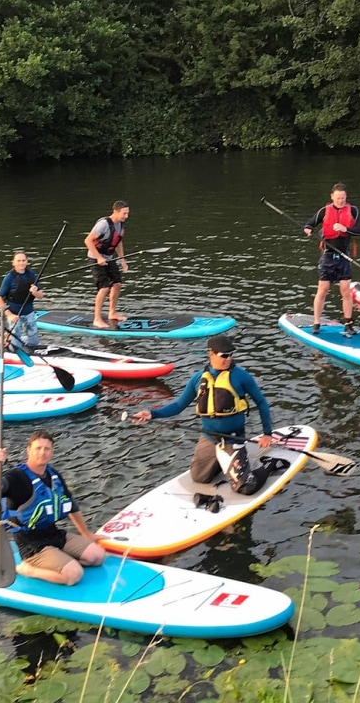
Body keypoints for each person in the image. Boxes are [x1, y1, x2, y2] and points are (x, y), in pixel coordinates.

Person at [132, 335, 279, 498]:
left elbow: (261, 402)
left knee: (245, 487)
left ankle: (268, 465)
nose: (228, 359)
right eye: (224, 355)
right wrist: (152, 414)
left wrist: (267, 433)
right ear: (211, 354)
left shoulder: (241, 376)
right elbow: (178, 406)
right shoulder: (197, 379)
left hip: (232, 438)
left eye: (231, 354)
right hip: (209, 438)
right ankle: (223, 462)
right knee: (199, 478)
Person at [0, 431, 106, 585]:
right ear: (28, 450)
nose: (42, 452)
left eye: (47, 449)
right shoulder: (16, 477)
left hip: (53, 533)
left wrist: (86, 533)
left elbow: (70, 504)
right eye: (38, 448)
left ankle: (59, 558)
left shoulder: (53, 475)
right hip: (31, 544)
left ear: (52, 452)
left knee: (98, 556)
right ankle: (29, 569)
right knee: (74, 575)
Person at [303, 183, 360, 336]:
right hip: (328, 256)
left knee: (345, 291)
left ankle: (348, 324)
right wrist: (308, 229)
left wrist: (346, 229)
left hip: (344, 256)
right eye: (338, 198)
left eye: (343, 198)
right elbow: (309, 224)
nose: (341, 201)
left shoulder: (354, 211)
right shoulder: (324, 211)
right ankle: (316, 322)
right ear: (332, 197)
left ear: (346, 197)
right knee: (323, 290)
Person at [83, 200, 130, 328]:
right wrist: (98, 258)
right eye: (124, 214)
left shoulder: (120, 225)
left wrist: (122, 260)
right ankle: (97, 319)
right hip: (95, 258)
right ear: (115, 211)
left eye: (127, 213)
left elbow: (118, 242)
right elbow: (87, 241)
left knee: (117, 284)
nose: (126, 216)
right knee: (104, 288)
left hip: (108, 258)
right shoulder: (103, 224)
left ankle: (112, 313)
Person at [0, 250, 44, 349]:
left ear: (27, 261)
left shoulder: (32, 275)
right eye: (19, 261)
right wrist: (10, 315)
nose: (21, 263)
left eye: (23, 260)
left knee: (34, 343)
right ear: (13, 263)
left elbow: (41, 295)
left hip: (29, 313)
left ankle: (9, 337)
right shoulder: (9, 278)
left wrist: (35, 292)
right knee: (15, 347)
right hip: (14, 315)